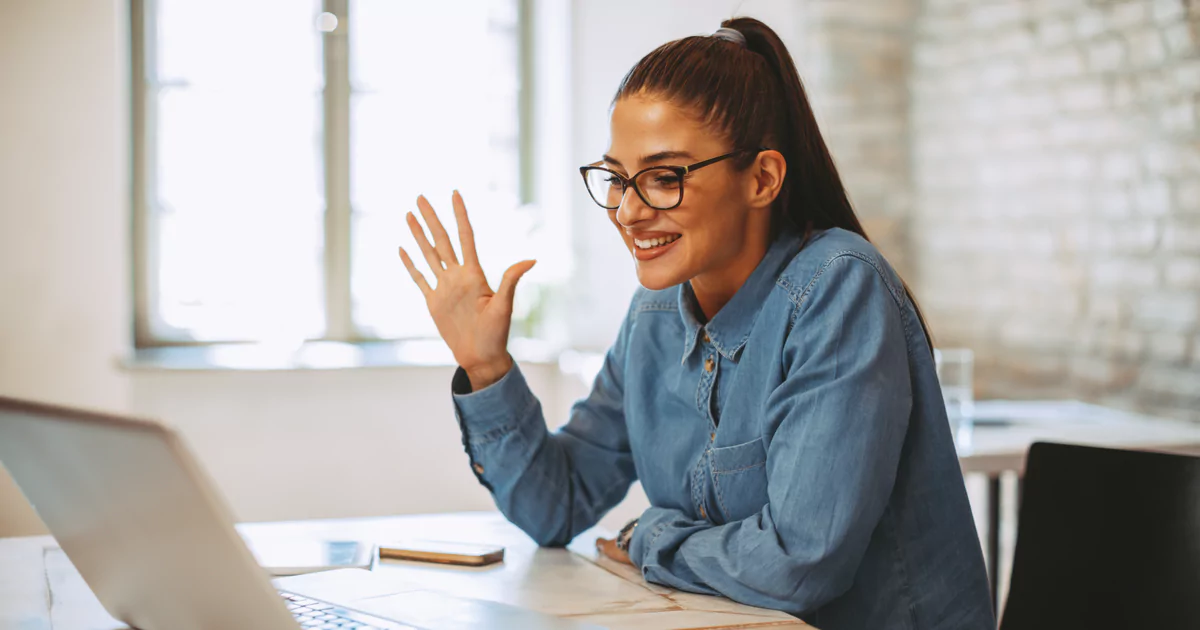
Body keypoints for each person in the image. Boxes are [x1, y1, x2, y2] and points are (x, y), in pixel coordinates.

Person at [397, 16, 995, 630]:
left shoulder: (837, 287)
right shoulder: (654, 315)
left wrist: (650, 537)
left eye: (664, 177)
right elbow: (558, 505)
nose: (628, 211)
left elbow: (801, 563)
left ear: (762, 178)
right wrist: (486, 366)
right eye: (618, 178)